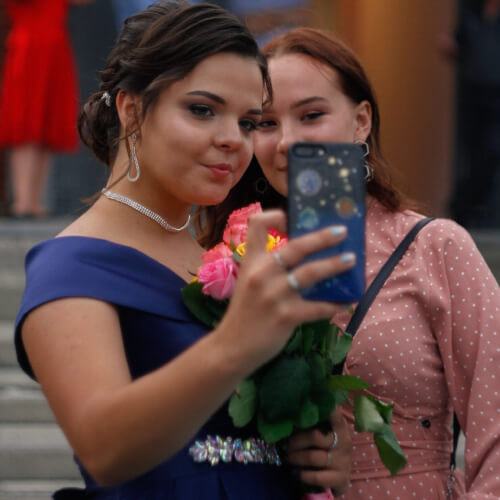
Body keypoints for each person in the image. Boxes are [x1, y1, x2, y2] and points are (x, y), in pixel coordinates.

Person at [14, 3, 354, 499]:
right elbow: (103, 449)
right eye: (202, 109)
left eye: (248, 121)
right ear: (131, 108)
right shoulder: (71, 266)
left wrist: (317, 448)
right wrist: (236, 343)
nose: (231, 141)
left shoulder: (221, 256)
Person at [196, 27, 500, 499]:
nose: (288, 142)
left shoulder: (435, 248)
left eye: (312, 115)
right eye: (267, 123)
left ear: (360, 122)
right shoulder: (231, 257)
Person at [0, 0, 93, 218]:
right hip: (29, 49)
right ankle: (23, 201)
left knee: (47, 125)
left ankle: (33, 201)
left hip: (56, 48)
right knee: (27, 123)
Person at [442, 0, 500, 228]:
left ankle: (476, 209)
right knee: (474, 154)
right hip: (474, 95)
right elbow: (459, 43)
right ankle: (465, 206)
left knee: (493, 150)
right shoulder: (471, 12)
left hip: (498, 96)